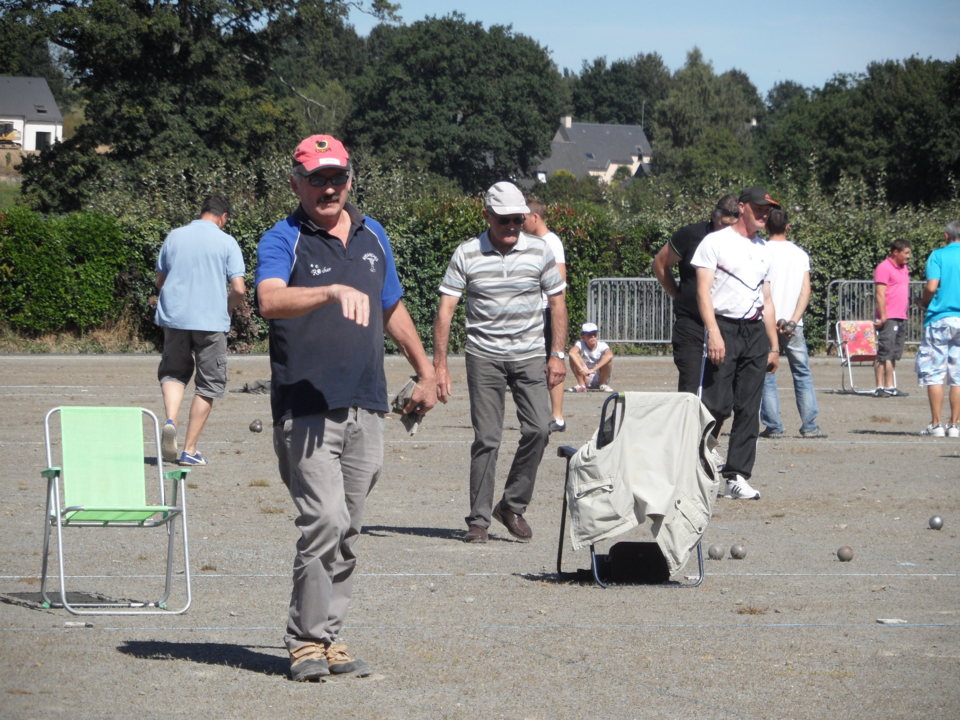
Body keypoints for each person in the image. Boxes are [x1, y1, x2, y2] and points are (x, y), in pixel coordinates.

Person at [255, 134, 437, 682]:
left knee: (350, 526)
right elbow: (268, 299)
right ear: (296, 184)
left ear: (350, 180)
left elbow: (392, 306)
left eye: (336, 177)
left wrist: (426, 369)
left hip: (366, 404)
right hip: (306, 408)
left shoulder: (373, 234)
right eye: (316, 179)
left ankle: (330, 638)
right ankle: (305, 643)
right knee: (324, 520)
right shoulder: (283, 237)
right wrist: (330, 290)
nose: (327, 188)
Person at [433, 181, 567, 545]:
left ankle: (512, 505)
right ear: (487, 216)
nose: (512, 227)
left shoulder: (540, 251)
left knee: (539, 428)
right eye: (504, 220)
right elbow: (446, 309)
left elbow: (557, 303)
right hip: (484, 355)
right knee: (487, 438)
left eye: (518, 220)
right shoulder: (467, 253)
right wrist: (440, 366)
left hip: (529, 355)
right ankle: (478, 521)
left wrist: (557, 354)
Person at [692, 186, 781, 501]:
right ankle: (697, 465)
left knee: (749, 408)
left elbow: (766, 299)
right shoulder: (714, 242)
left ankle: (737, 475)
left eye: (767, 210)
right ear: (742, 207)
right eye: (758, 208)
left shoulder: (764, 249)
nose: (763, 214)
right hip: (724, 327)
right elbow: (703, 291)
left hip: (755, 332)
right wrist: (713, 331)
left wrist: (773, 344)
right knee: (716, 405)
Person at [154, 194, 246, 466]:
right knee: (208, 384)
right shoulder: (227, 242)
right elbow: (239, 288)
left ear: (202, 211)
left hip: (176, 318)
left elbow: (161, 281)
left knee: (173, 372)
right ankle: (189, 449)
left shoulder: (175, 236)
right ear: (224, 217)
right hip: (210, 322)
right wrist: (228, 308)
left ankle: (171, 419)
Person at [653, 194, 741, 393]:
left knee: (720, 393)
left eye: (732, 226)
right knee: (690, 387)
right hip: (691, 322)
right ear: (714, 215)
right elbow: (660, 263)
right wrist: (677, 293)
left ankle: (711, 424)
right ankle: (688, 423)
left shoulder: (742, 241)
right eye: (723, 224)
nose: (726, 231)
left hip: (726, 323)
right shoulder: (691, 235)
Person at [759, 208, 825, 439]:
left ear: (766, 226)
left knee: (766, 373)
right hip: (793, 324)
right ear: (788, 227)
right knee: (802, 373)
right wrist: (794, 320)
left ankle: (773, 425)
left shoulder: (760, 251)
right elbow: (806, 290)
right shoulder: (800, 254)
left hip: (766, 322)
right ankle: (809, 425)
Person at [523, 195, 568, 432]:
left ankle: (557, 415)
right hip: (533, 310)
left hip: (547, 310)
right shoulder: (530, 242)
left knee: (554, 360)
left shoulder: (552, 242)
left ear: (535, 217)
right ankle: (540, 413)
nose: (521, 224)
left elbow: (560, 280)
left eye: (524, 218)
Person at [916, 220, 960, 437]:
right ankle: (954, 425)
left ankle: (936, 424)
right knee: (958, 376)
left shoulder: (938, 255)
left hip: (940, 318)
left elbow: (932, 286)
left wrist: (923, 302)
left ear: (946, 236)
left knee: (935, 372)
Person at [873, 239, 913, 397]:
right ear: (895, 252)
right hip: (888, 317)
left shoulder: (904, 268)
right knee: (884, 352)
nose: (908, 256)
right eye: (906, 253)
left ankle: (890, 386)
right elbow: (880, 293)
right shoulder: (884, 268)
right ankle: (879, 387)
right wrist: (883, 316)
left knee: (894, 353)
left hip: (900, 316)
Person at [568, 322, 614, 392]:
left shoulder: (602, 345)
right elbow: (572, 353)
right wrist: (582, 370)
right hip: (585, 375)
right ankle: (581, 385)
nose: (593, 337)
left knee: (607, 359)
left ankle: (603, 384)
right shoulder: (580, 344)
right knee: (574, 356)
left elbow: (610, 355)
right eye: (589, 335)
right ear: (583, 337)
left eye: (594, 334)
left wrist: (593, 370)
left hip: (599, 375)